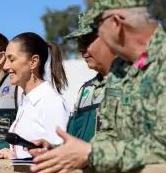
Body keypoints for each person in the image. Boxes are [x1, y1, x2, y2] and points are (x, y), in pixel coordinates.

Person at [30, 0, 166, 173]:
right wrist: (63, 152)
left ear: (116, 23)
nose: (98, 34)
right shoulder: (120, 68)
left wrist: (91, 154)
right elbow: (110, 133)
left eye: (97, 25)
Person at [28, 11, 117, 154]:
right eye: (79, 42)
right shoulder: (87, 89)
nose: (81, 49)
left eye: (87, 41)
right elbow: (75, 140)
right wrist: (52, 148)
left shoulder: (131, 83)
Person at [0, 32, 70, 159]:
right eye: (6, 60)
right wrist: (12, 155)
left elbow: (61, 154)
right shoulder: (26, 100)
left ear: (33, 62)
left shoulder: (51, 101)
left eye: (12, 59)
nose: (5, 66)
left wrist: (16, 156)